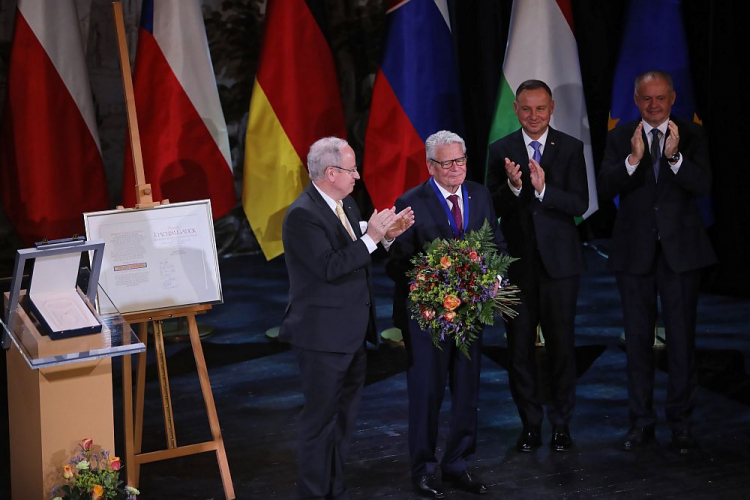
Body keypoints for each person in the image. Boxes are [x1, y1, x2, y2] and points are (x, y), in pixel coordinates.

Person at [280, 137, 414, 499]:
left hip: (352, 336)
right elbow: (331, 267)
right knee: (319, 424)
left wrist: (385, 237)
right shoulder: (302, 216)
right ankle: (312, 493)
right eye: (352, 169)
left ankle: (334, 490)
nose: (358, 175)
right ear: (331, 173)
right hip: (322, 340)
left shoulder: (347, 204)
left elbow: (355, 253)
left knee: (344, 423)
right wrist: (372, 237)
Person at [597, 70, 716, 455]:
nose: (653, 105)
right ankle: (640, 423)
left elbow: (702, 186)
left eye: (660, 98)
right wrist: (633, 160)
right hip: (634, 254)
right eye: (646, 99)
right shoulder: (620, 137)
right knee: (637, 342)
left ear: (672, 98)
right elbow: (605, 188)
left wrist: (675, 158)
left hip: (681, 255)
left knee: (681, 342)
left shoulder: (692, 135)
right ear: (636, 100)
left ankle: (681, 423)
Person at [387, 130, 504, 498]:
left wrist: (496, 277)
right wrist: (392, 239)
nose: (456, 169)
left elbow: (496, 244)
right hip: (426, 318)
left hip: (470, 314)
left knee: (467, 392)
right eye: (447, 162)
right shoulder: (410, 202)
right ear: (430, 165)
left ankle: (457, 464)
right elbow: (396, 264)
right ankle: (423, 470)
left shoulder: (480, 194)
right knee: (427, 394)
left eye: (461, 160)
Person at [487, 80, 589, 453]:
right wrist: (513, 189)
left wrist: (545, 191)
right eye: (526, 109)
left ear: (552, 108)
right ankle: (530, 424)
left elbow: (580, 203)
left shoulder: (572, 148)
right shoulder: (501, 150)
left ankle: (561, 424)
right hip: (517, 269)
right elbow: (491, 206)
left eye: (540, 109)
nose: (533, 116)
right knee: (518, 351)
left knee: (562, 348)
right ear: (515, 109)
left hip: (561, 269)